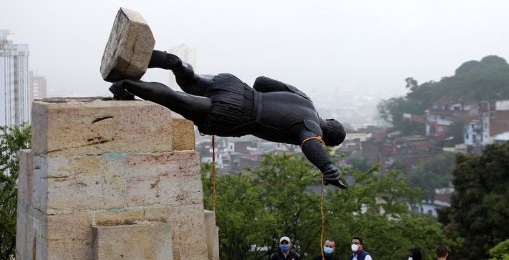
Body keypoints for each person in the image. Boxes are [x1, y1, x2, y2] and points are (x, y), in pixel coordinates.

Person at [109, 50, 347, 188]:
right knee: (178, 100)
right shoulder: (310, 127)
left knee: (191, 80)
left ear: (331, 120)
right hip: (239, 113)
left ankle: (175, 64)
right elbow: (311, 144)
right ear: (328, 138)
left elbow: (262, 81)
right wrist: (327, 167)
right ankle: (126, 84)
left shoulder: (304, 99)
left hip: (236, 87)